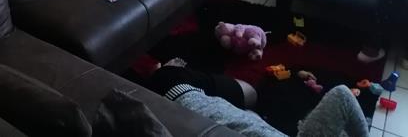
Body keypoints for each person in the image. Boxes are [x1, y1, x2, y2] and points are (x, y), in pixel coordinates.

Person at [148, 59, 369, 137]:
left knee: (165, 74)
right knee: (251, 98)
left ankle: (163, 69)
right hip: (196, 108)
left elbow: (342, 94)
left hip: (178, 93)